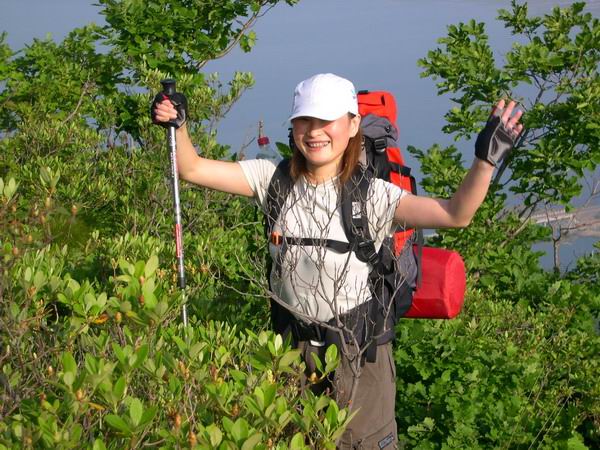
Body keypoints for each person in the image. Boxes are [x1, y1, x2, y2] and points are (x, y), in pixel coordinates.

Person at [152, 73, 524, 449]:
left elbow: (455, 214)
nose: (315, 131)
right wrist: (178, 126)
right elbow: (192, 169)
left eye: (326, 120)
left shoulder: (373, 197)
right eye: (305, 120)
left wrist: (485, 161)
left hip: (357, 355)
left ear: (352, 125)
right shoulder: (272, 181)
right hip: (290, 352)